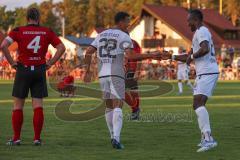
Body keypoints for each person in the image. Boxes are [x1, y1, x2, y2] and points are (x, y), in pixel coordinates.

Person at [83, 11, 161, 149]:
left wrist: (87, 71)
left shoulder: (101, 34)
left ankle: (112, 135)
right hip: (116, 73)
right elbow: (131, 56)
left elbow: (88, 51)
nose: (129, 24)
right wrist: (153, 55)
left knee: (109, 106)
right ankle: (116, 139)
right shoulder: (123, 36)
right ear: (120, 22)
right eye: (127, 21)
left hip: (102, 75)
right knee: (118, 105)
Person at [0, 8, 65, 145]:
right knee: (38, 105)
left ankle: (16, 138)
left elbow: (4, 45)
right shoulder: (47, 31)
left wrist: (11, 63)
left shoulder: (19, 30)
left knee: (18, 105)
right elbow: (61, 48)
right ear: (38, 18)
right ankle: (37, 139)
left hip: (23, 69)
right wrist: (51, 63)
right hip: (39, 70)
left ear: (27, 18)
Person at [162, 9, 219, 152]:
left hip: (207, 71)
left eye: (189, 21)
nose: (188, 24)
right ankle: (206, 137)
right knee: (197, 105)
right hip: (205, 72)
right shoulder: (198, 33)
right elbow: (189, 55)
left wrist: (191, 57)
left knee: (198, 103)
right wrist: (171, 57)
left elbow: (204, 49)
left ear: (196, 20)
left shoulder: (202, 31)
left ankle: (208, 139)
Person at [125, 39, 141, 120]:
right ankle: (135, 109)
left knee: (133, 92)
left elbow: (139, 57)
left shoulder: (134, 43)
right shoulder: (116, 41)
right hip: (121, 70)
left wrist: (137, 71)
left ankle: (135, 110)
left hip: (131, 70)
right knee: (120, 92)